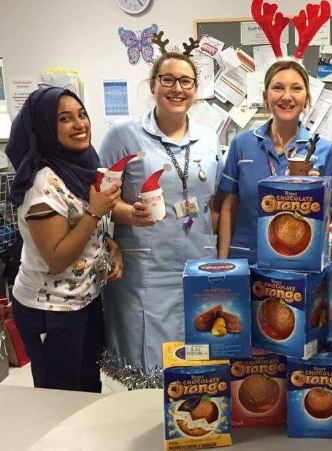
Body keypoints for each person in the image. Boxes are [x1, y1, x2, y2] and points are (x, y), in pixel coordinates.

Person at [98, 50, 223, 384]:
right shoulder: (123, 135)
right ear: (152, 85)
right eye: (167, 79)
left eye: (186, 81)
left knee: (197, 348)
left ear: (196, 89)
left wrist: (221, 260)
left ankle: (192, 426)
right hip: (145, 270)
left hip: (199, 262)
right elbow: (97, 200)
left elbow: (213, 203)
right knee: (147, 360)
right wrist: (129, 212)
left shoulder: (209, 139)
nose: (177, 88)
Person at [6, 86, 123, 392]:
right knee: (59, 398)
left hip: (84, 301)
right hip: (50, 310)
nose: (79, 124)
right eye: (65, 118)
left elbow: (83, 229)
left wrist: (110, 248)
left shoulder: (81, 166)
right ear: (45, 127)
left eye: (81, 114)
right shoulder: (42, 184)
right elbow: (57, 259)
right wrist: (95, 213)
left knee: (86, 387)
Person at [217, 60, 332, 264]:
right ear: (265, 96)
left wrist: (315, 192)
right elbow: (228, 206)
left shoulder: (322, 149)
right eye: (278, 88)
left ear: (307, 98)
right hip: (245, 259)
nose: (287, 96)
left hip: (298, 261)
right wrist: (223, 263)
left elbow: (330, 212)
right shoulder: (242, 144)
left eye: (296, 88)